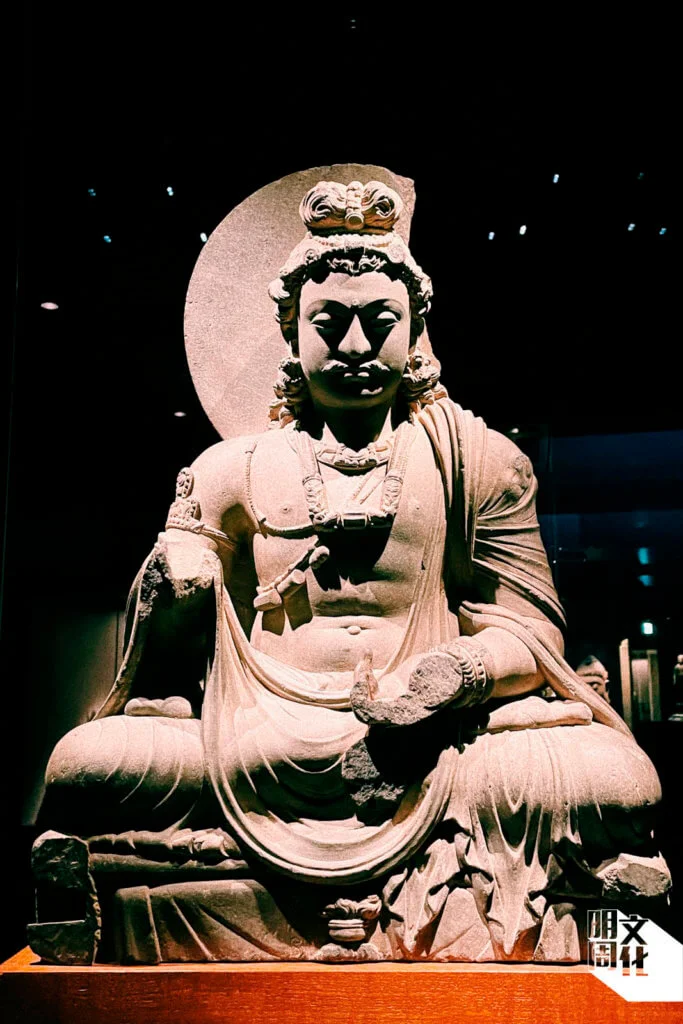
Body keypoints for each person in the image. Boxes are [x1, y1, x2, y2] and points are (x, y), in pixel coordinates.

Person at [36, 179, 669, 964]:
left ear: (416, 331)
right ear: (290, 334)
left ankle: (176, 881)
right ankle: (535, 906)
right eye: (329, 324)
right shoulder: (230, 469)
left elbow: (530, 631)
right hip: (258, 738)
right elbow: (162, 667)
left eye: (381, 322)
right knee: (90, 766)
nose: (357, 346)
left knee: (611, 779)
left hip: (431, 744)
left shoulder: (479, 461)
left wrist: (453, 675)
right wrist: (176, 584)